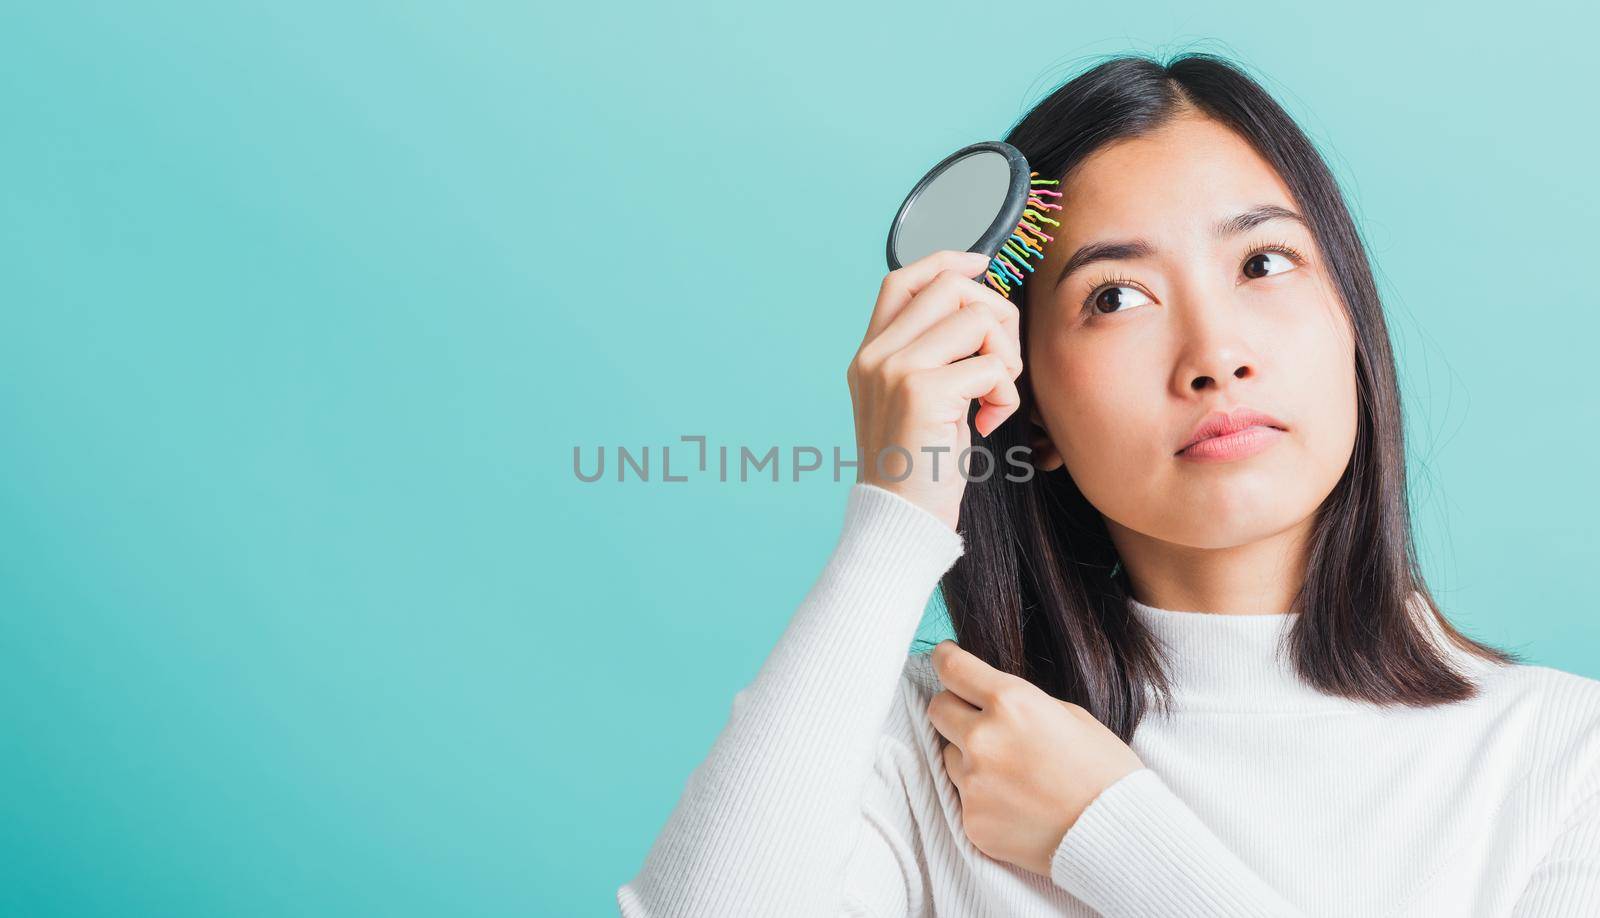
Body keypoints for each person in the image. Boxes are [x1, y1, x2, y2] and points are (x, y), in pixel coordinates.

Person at [616, 53, 1600, 917]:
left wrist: (1111, 835)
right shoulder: (942, 748)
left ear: (1351, 329)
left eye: (1262, 261)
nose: (1214, 356)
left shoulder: (1562, 761)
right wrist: (895, 514)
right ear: (1028, 408)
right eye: (1114, 297)